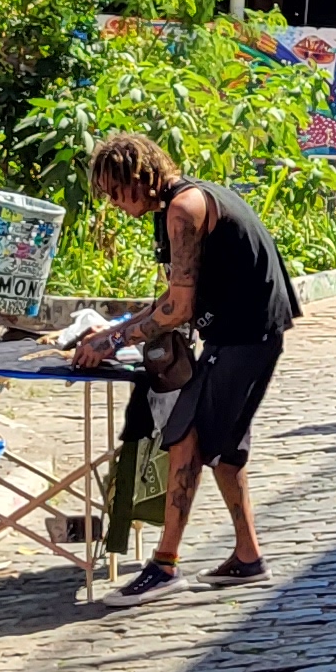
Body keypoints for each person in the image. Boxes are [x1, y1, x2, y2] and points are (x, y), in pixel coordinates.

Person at [76, 131, 296, 594]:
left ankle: (165, 564)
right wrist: (112, 333)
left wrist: (112, 344)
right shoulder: (178, 204)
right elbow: (173, 296)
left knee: (187, 439)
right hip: (243, 332)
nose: (115, 203)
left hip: (245, 335)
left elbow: (178, 310)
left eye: (117, 192)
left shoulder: (183, 209)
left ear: (139, 178)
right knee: (225, 450)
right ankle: (248, 556)